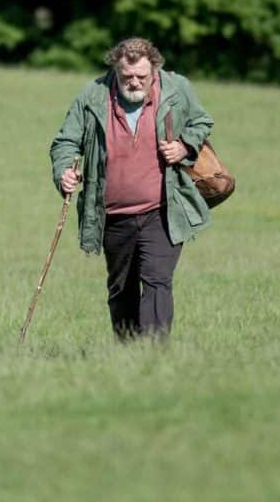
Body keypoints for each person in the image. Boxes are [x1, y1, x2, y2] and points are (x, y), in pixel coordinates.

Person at [49, 37, 214, 341]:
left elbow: (201, 122)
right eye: (127, 76)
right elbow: (65, 142)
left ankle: (153, 356)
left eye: (142, 76)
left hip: (163, 210)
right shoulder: (93, 96)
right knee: (121, 287)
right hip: (112, 215)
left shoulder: (177, 90)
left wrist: (184, 145)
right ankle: (127, 353)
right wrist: (64, 173)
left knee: (157, 281)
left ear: (155, 70)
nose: (135, 82)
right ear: (116, 69)